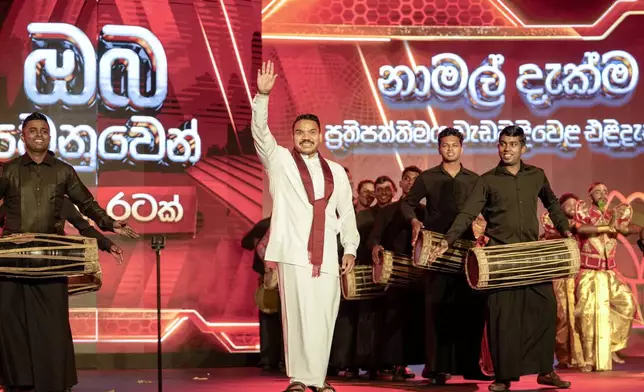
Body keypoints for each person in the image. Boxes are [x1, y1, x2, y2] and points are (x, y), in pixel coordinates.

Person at [428, 125, 572, 392]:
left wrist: (565, 230)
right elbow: (468, 214)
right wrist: (446, 241)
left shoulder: (536, 175)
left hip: (530, 256)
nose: (507, 149)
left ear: (523, 147)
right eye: (503, 144)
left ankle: (545, 370)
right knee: (502, 318)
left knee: (545, 310)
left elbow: (552, 203)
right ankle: (504, 376)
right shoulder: (487, 180)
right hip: (500, 257)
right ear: (498, 146)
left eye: (513, 144)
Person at [0, 112, 137, 392]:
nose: (38, 134)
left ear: (50, 136)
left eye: (43, 130)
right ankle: (19, 384)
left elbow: (86, 205)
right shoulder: (9, 171)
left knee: (52, 329)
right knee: (11, 327)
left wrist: (109, 224)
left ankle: (53, 384)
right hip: (12, 265)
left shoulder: (63, 171)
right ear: (22, 135)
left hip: (51, 263)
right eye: (32, 130)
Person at [251, 61, 359, 392]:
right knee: (297, 315)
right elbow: (260, 132)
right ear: (293, 136)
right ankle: (299, 378)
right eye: (300, 132)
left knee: (324, 316)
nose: (306, 137)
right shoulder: (280, 160)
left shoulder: (337, 172)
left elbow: (347, 213)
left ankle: (318, 378)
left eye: (312, 132)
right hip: (293, 251)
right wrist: (263, 96)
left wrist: (351, 248)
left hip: (326, 252)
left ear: (320, 135)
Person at [401, 128, 491, 385]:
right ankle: (437, 367)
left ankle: (469, 364)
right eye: (445, 145)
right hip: (435, 248)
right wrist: (415, 222)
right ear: (439, 148)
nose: (450, 149)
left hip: (466, 248)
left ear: (461, 148)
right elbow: (407, 204)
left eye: (454, 145)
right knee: (437, 307)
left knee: (470, 308)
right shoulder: (428, 177)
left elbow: (486, 210)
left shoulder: (474, 179)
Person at [573, 182, 642, 372]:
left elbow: (626, 228)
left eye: (605, 191)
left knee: (627, 304)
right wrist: (607, 227)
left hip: (609, 272)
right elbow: (581, 229)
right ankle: (587, 357)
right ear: (590, 196)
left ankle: (610, 346)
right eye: (598, 192)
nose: (603, 194)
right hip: (588, 272)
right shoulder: (585, 214)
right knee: (587, 315)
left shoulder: (614, 215)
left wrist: (641, 230)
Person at [368, 166, 424, 381]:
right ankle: (397, 366)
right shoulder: (387, 211)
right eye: (406, 179)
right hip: (394, 274)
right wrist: (375, 247)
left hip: (419, 275)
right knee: (395, 320)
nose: (410, 183)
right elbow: (374, 237)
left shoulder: (426, 211)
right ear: (399, 184)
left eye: (415, 180)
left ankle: (425, 365)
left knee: (417, 321)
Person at [540, 193, 583, 370]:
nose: (573, 208)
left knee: (579, 315)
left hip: (577, 276)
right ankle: (563, 355)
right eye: (568, 205)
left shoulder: (580, 225)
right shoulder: (551, 222)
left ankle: (580, 356)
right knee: (562, 315)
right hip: (559, 276)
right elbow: (551, 235)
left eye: (575, 204)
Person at [241, 216, 284, 373]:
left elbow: (250, 244)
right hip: (274, 277)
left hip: (273, 275)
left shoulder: (267, 223)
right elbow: (253, 245)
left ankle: (269, 359)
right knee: (274, 317)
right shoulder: (268, 224)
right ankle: (278, 360)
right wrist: (270, 264)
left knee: (269, 318)